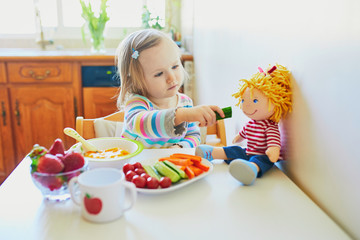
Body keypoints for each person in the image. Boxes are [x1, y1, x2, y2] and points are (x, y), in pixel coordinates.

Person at [116, 29, 224, 148]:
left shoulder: (185, 103)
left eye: (175, 66)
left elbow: (193, 135)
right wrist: (183, 115)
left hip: (170, 163)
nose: (171, 78)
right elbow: (142, 124)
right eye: (159, 74)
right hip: (138, 165)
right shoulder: (137, 103)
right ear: (136, 81)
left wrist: (180, 147)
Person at [195, 64, 292, 185]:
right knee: (235, 150)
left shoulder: (270, 126)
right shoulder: (251, 123)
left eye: (255, 101)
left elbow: (274, 142)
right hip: (248, 151)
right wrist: (238, 137)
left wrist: (273, 150)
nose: (246, 106)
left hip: (262, 154)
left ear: (275, 102)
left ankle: (251, 169)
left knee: (260, 160)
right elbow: (244, 132)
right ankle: (211, 153)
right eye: (243, 100)